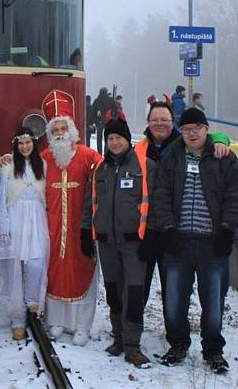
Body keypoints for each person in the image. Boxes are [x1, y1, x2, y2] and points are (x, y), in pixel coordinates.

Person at [151, 107, 238, 374]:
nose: (192, 134)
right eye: (187, 129)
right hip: (178, 241)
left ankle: (213, 349)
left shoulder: (223, 158)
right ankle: (178, 343)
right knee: (174, 298)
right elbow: (161, 195)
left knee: (214, 299)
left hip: (212, 242)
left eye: (197, 129)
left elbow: (236, 193)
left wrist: (228, 229)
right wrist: (168, 228)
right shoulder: (172, 158)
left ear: (207, 130)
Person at [135, 102, 232, 308]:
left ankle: (174, 333)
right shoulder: (139, 150)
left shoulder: (183, 145)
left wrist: (221, 140)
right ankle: (132, 334)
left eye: (164, 120)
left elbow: (207, 138)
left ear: (173, 123)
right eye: (155, 120)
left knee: (173, 290)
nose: (159, 123)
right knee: (138, 286)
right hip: (147, 229)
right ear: (148, 123)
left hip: (174, 229)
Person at [86, 119, 155, 367]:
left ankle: (133, 346)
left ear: (128, 140)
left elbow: (155, 204)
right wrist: (88, 231)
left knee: (134, 293)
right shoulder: (100, 170)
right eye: (110, 139)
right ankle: (118, 336)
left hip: (134, 244)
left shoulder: (144, 167)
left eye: (119, 138)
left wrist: (151, 237)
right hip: (107, 243)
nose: (114, 143)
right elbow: (89, 203)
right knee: (114, 293)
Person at [40, 90, 102, 345]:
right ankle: (57, 321)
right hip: (52, 227)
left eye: (63, 128)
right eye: (55, 130)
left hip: (81, 227)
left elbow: (107, 176)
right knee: (55, 272)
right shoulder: (44, 158)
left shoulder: (89, 157)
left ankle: (82, 326)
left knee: (81, 270)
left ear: (73, 130)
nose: (59, 134)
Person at [0, 127, 50, 341]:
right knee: (16, 266)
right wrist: (3, 228)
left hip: (36, 219)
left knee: (36, 264)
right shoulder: (8, 167)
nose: (25, 147)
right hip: (16, 218)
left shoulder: (42, 166)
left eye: (28, 143)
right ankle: (17, 318)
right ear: (16, 146)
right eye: (20, 143)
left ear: (34, 144)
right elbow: (0, 200)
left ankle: (33, 307)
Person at [90, 87, 117, 154]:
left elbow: (92, 112)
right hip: (108, 121)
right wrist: (114, 118)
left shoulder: (97, 101)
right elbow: (116, 110)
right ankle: (106, 152)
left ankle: (99, 152)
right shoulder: (111, 100)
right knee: (107, 137)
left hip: (99, 121)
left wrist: (91, 122)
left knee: (99, 138)